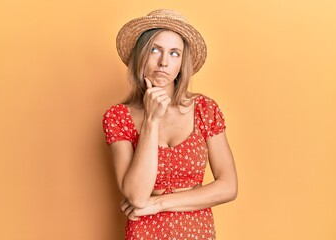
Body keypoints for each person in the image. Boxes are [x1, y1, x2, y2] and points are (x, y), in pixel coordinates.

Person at [102, 9, 238, 239]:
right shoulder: (118, 117)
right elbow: (136, 196)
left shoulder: (205, 109)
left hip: (197, 233)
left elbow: (228, 186)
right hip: (144, 233)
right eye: (155, 50)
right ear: (141, 56)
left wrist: (158, 204)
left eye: (174, 53)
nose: (164, 62)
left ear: (182, 63)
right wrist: (151, 121)